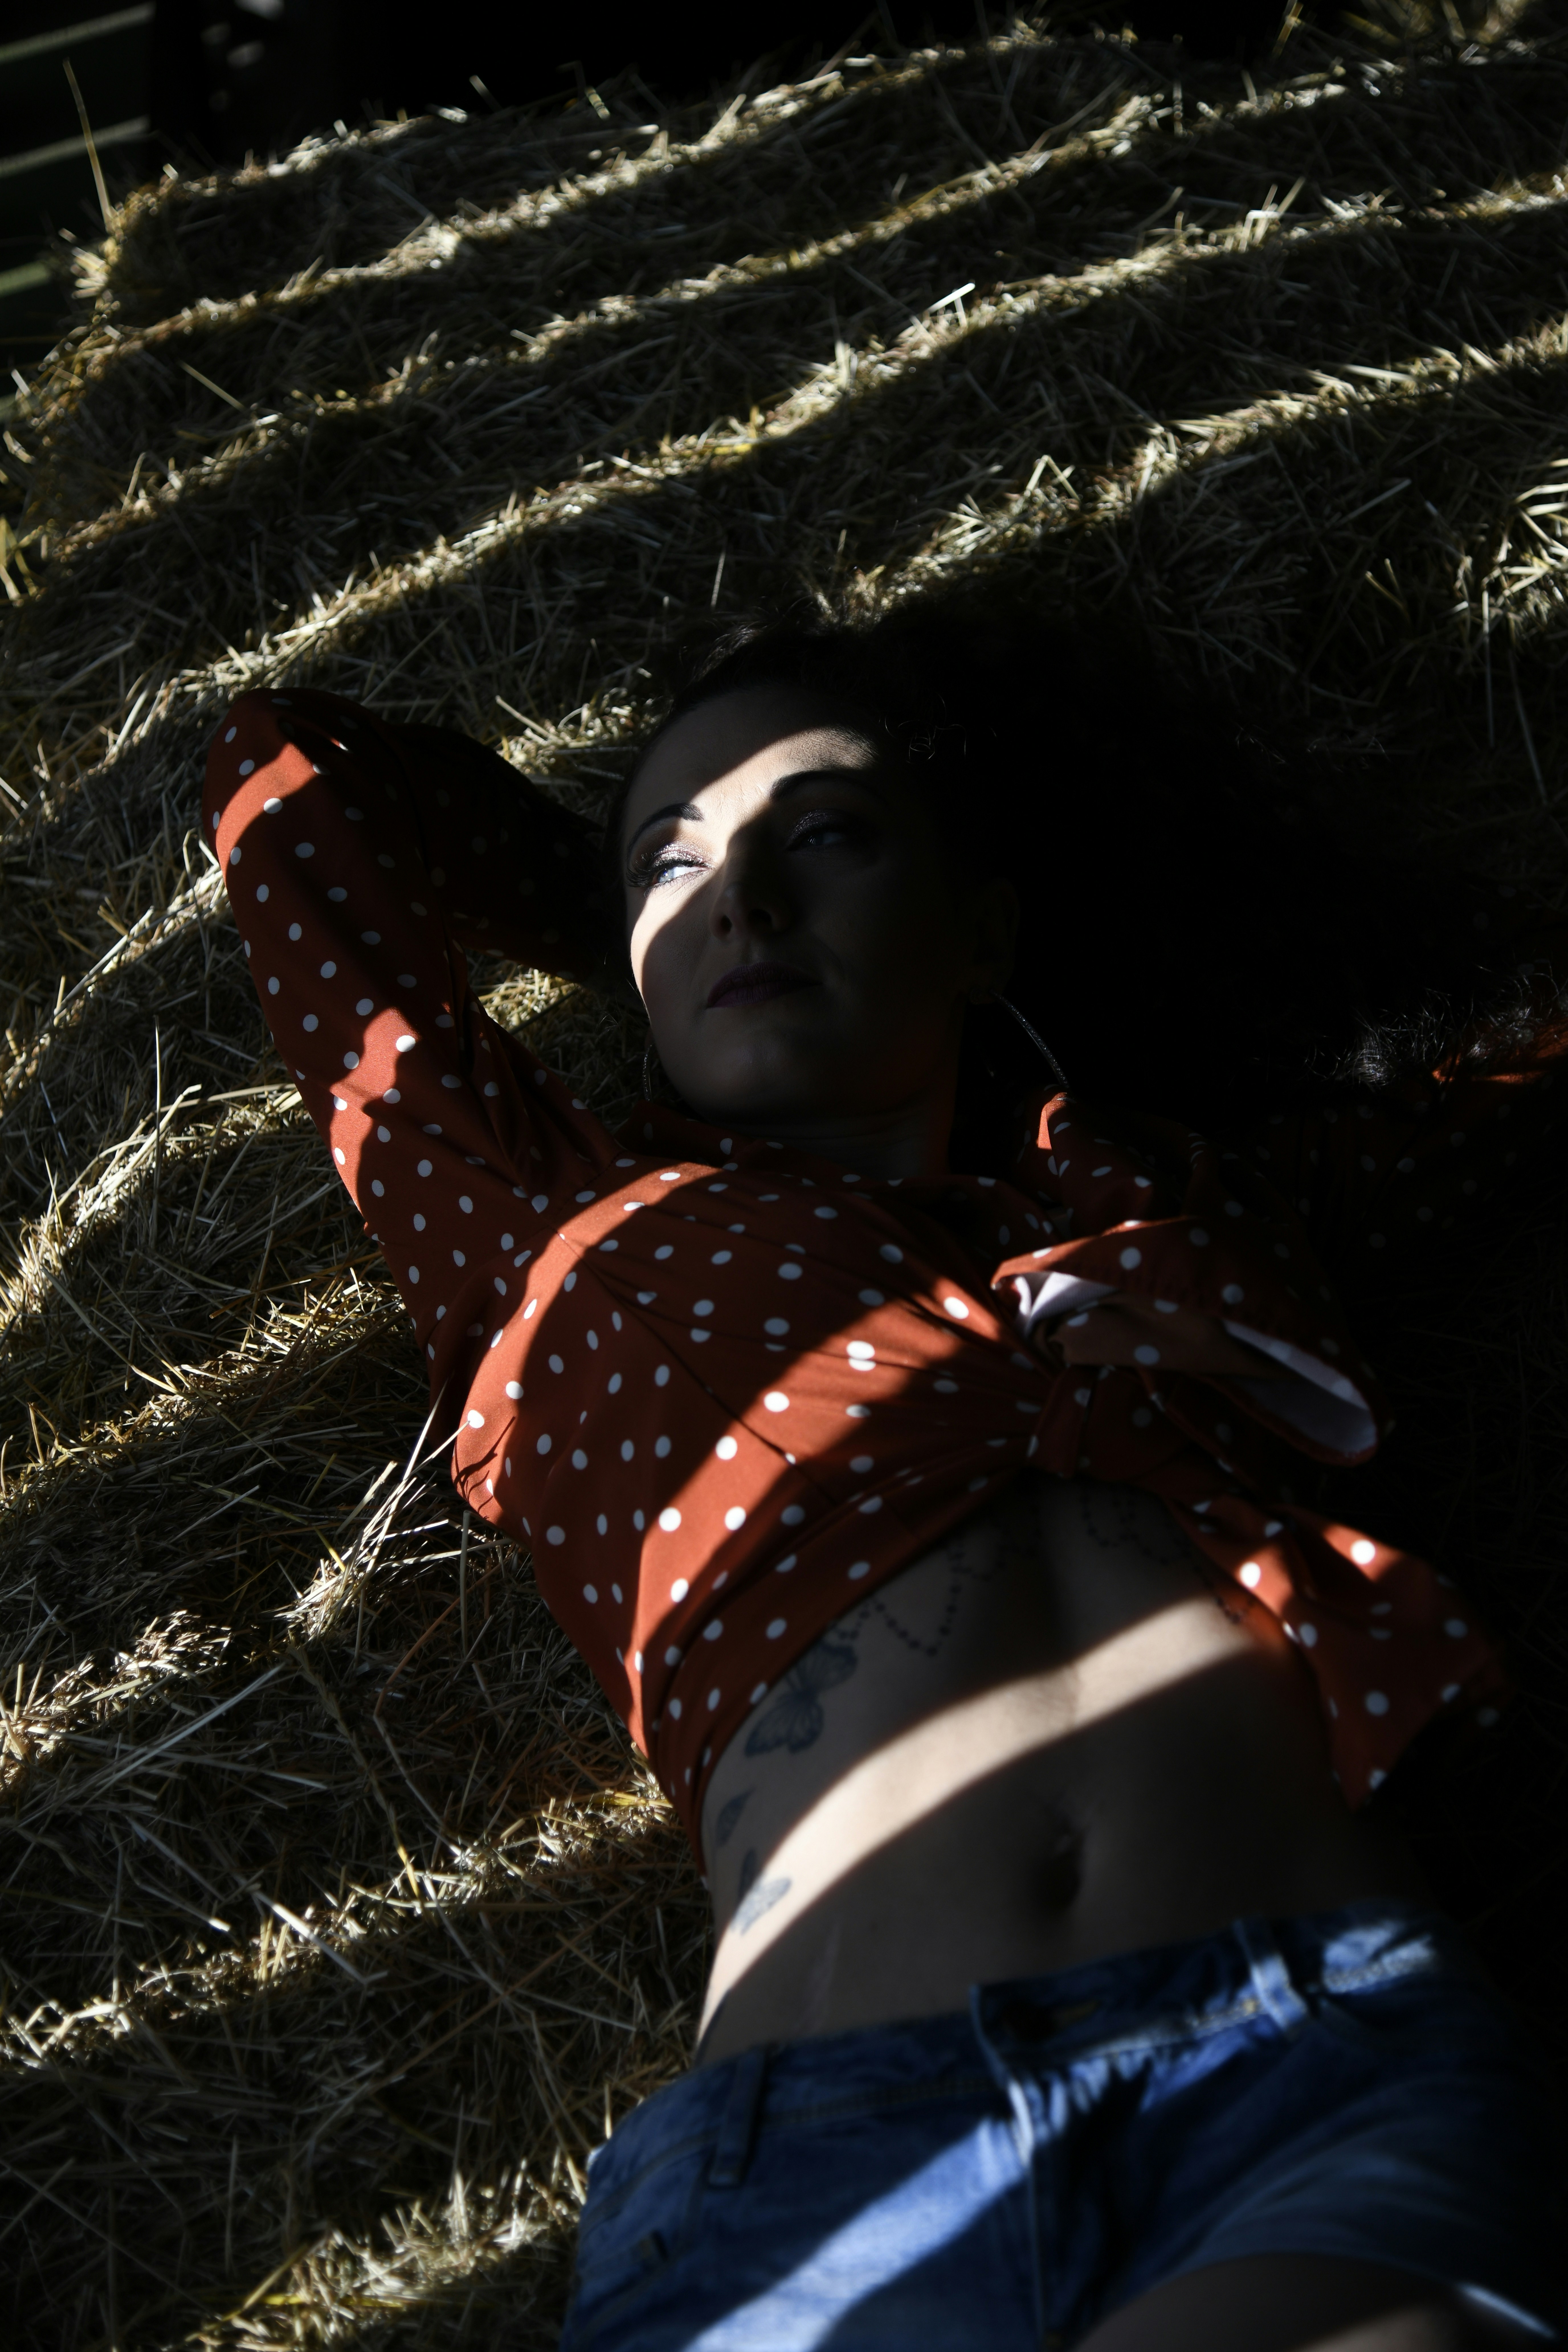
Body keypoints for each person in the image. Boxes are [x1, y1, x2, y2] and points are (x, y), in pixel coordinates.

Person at [204, 590, 1565, 2350]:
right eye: (673, 864)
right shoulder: (542, 1235)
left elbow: (1511, 1087)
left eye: (823, 837)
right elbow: (281, 780)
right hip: (822, 2154)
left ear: (985, 933)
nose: (742, 894)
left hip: (1307, 2065)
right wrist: (658, 917)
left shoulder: (1198, 1204)